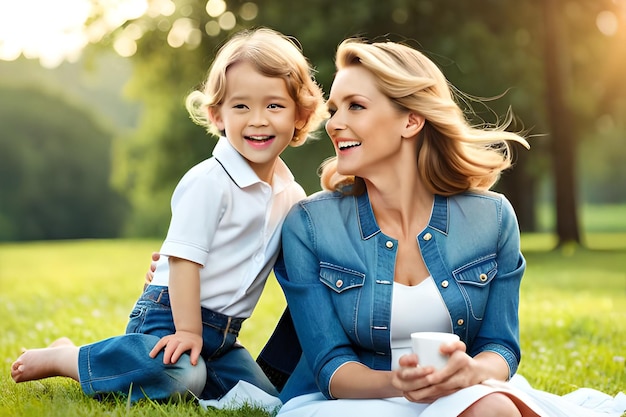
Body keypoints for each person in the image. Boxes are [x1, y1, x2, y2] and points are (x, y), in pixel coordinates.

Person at [263, 38, 625, 417]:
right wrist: (399, 384)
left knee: (495, 407)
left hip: (458, 394)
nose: (335, 124)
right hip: (352, 403)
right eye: (335, 109)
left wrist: (471, 371)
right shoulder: (309, 225)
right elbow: (329, 364)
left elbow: (500, 346)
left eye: (356, 106)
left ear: (412, 120)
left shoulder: (493, 218)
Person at [10, 27, 327, 403]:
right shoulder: (210, 181)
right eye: (241, 106)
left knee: (264, 401)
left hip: (224, 338)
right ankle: (69, 358)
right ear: (217, 115)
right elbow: (183, 261)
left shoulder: (290, 196)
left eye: (274, 106)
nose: (257, 119)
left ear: (300, 116)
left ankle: (163, 365)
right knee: (181, 375)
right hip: (171, 318)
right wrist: (190, 331)